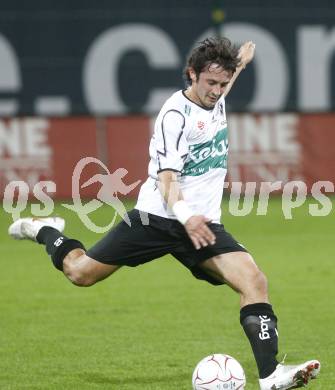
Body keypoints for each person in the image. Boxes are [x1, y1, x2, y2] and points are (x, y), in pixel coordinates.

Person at [9, 37, 320, 389]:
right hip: (156, 219)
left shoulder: (216, 94)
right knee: (80, 273)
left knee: (254, 281)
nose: (217, 92)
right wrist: (186, 215)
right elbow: (166, 178)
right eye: (211, 84)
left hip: (201, 226)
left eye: (222, 84)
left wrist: (242, 61)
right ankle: (47, 230)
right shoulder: (175, 116)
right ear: (191, 75)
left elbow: (227, 78)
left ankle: (270, 375)